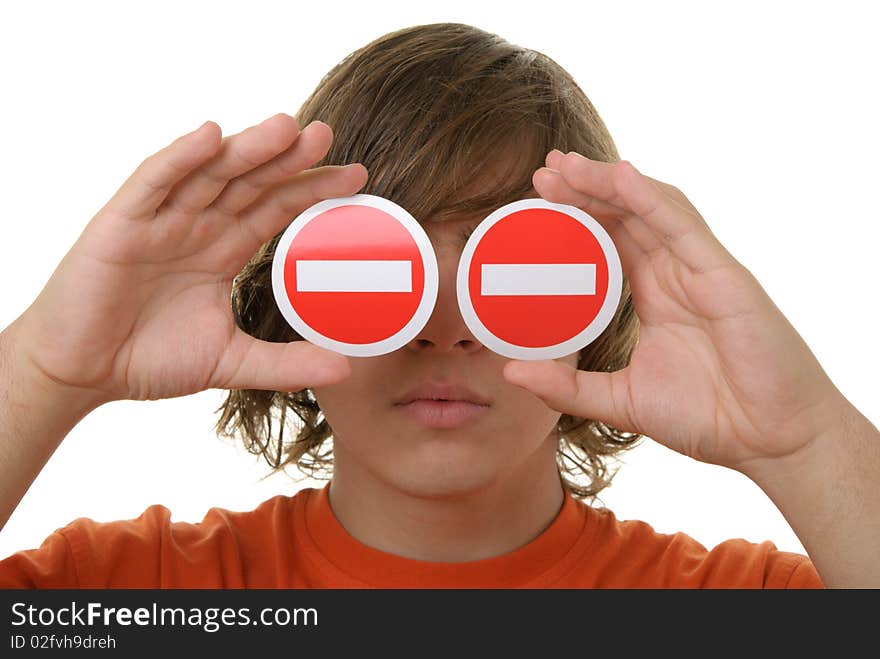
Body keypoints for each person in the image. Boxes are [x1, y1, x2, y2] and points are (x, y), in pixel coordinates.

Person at [0, 22, 876, 589]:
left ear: (605, 297)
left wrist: (801, 436)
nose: (446, 323)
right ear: (289, 293)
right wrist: (46, 369)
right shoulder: (127, 596)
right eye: (376, 266)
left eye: (521, 266)